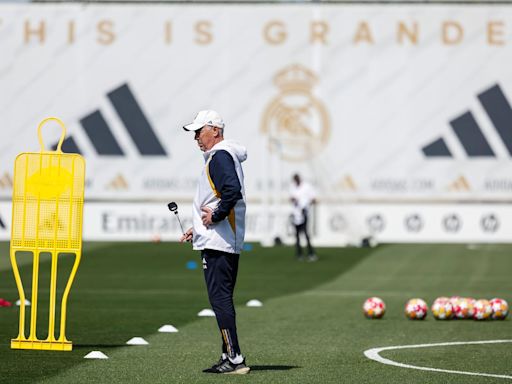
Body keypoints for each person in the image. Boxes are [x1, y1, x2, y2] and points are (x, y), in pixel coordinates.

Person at [180, 110, 250, 375]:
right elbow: (217, 198)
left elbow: (231, 191)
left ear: (215, 131)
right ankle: (229, 355)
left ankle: (234, 358)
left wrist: (216, 216)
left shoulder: (220, 156)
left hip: (218, 241)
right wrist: (197, 227)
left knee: (219, 299)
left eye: (199, 132)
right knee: (223, 299)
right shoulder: (222, 155)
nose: (196, 138)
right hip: (220, 237)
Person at [289, 173, 317, 261]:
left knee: (305, 234)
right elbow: (291, 198)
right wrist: (294, 200)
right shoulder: (293, 187)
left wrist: (306, 205)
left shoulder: (307, 187)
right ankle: (299, 254)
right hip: (296, 213)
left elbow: (313, 199)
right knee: (297, 235)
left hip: (304, 213)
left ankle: (311, 253)